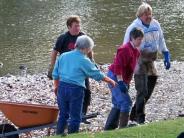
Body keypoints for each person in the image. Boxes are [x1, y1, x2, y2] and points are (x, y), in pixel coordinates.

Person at [52, 35, 116, 135]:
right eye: (90, 49)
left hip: (62, 87)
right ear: (86, 48)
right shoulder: (84, 60)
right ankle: (73, 135)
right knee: (75, 117)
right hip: (75, 89)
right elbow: (96, 74)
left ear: (76, 45)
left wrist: (56, 86)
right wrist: (110, 81)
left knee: (63, 115)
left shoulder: (63, 55)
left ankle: (59, 134)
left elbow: (55, 73)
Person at [123, 2, 171, 124]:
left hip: (151, 60)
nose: (148, 16)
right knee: (142, 90)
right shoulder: (133, 27)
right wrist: (127, 64)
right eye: (145, 14)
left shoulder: (155, 24)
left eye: (149, 13)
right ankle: (140, 118)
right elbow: (125, 45)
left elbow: (161, 39)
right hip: (138, 61)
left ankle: (133, 113)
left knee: (150, 86)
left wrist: (165, 54)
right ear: (140, 15)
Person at [47, 15, 92, 124]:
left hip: (81, 69)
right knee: (65, 92)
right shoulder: (63, 38)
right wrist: (52, 67)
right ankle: (66, 115)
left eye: (79, 25)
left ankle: (82, 114)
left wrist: (92, 61)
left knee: (87, 91)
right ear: (69, 27)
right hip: (66, 71)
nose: (78, 28)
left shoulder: (83, 36)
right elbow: (54, 52)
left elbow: (89, 49)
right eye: (75, 26)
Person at [104, 28, 144, 130]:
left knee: (118, 103)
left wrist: (127, 81)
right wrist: (121, 82)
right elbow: (118, 66)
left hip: (122, 78)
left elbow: (131, 68)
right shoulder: (124, 49)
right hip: (114, 76)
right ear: (132, 38)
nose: (141, 41)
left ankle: (109, 129)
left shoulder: (136, 51)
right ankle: (123, 129)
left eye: (141, 39)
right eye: (139, 39)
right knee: (126, 102)